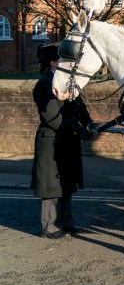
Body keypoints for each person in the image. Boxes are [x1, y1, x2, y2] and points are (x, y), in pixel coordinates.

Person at [30, 42, 95, 239]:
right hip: (51, 139)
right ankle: (49, 226)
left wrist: (89, 124)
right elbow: (51, 117)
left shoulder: (67, 81)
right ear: (52, 63)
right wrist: (78, 130)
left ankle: (66, 222)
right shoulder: (43, 85)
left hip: (67, 139)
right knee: (51, 186)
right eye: (63, 61)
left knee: (67, 182)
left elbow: (80, 106)